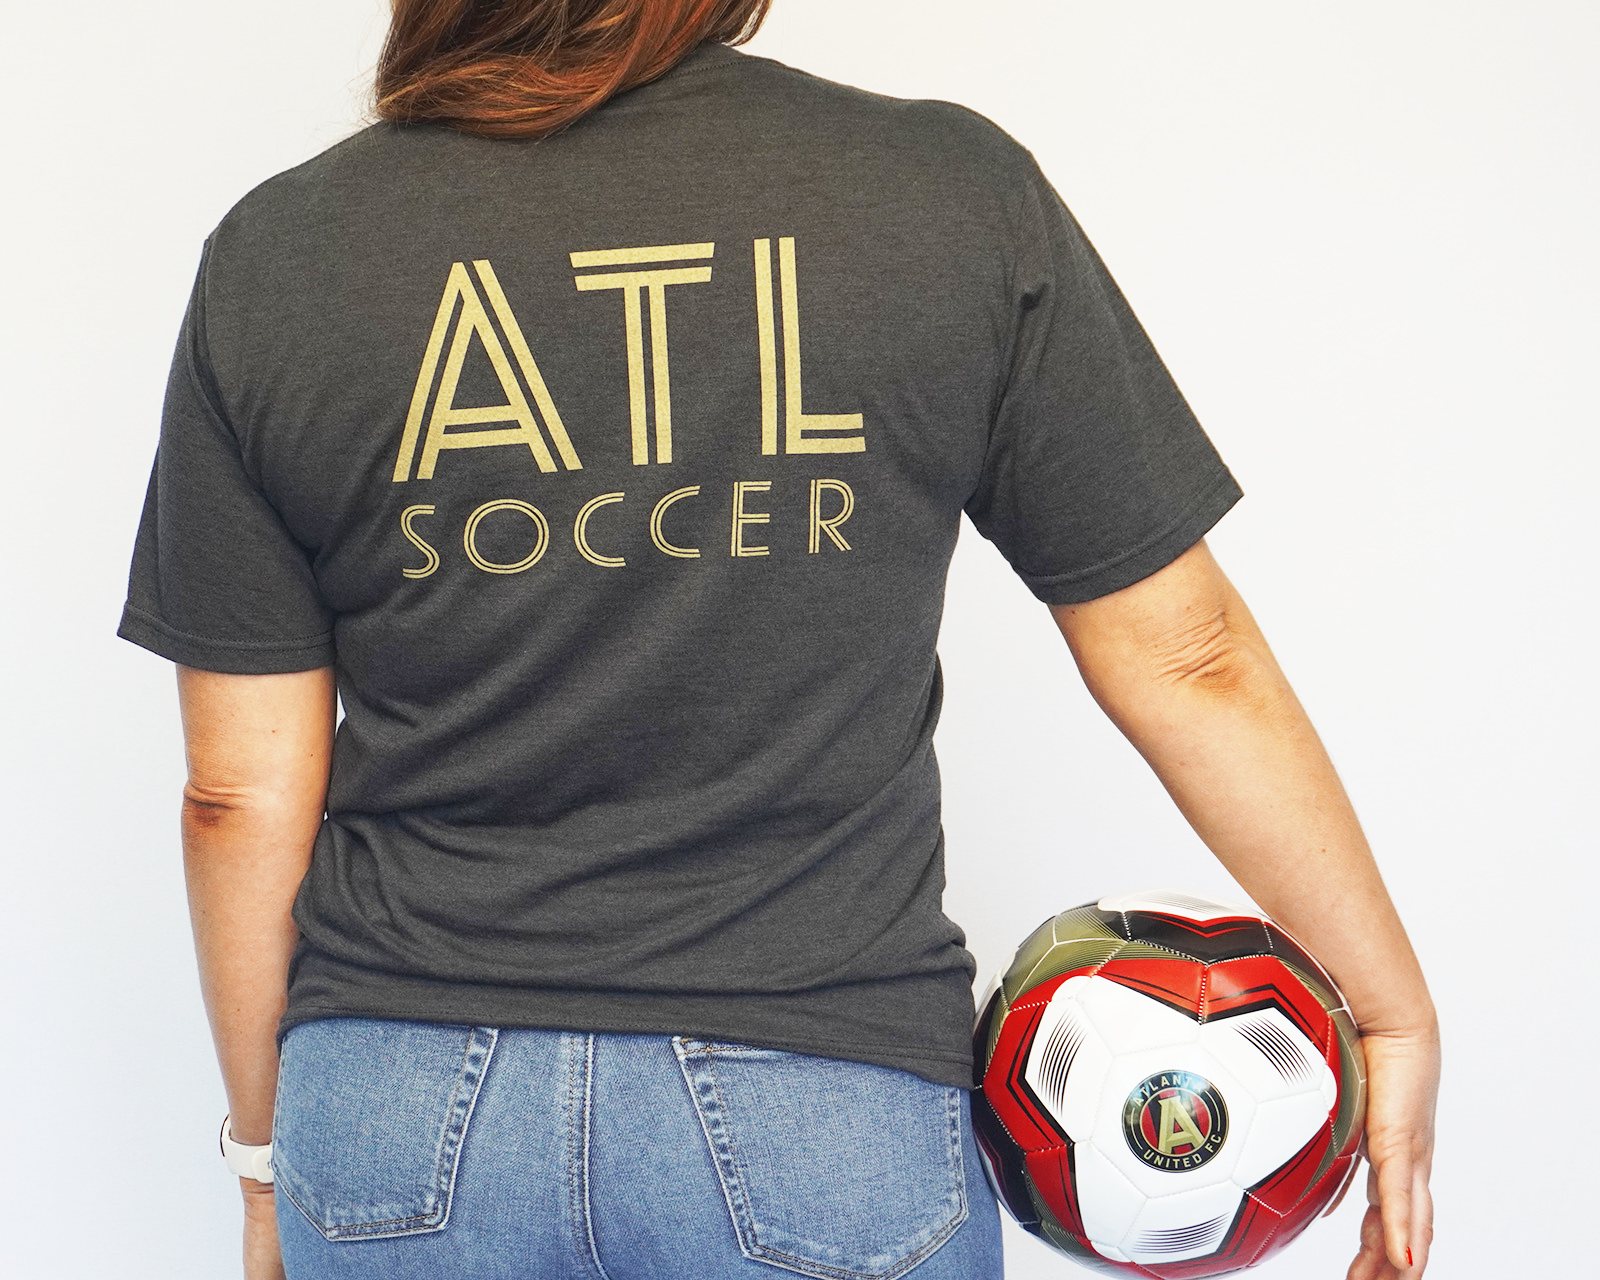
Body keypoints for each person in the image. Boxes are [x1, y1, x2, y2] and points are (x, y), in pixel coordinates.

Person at [119, 2, 1439, 1278]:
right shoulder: (943, 195)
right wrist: (1387, 1005)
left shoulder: (284, 254)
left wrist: (263, 1155)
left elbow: (239, 799)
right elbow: (1186, 657)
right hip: (822, 1116)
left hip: (398, 1118)